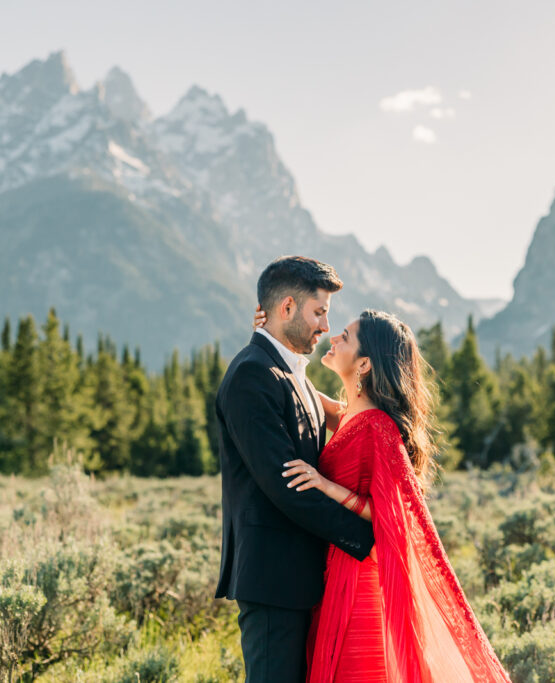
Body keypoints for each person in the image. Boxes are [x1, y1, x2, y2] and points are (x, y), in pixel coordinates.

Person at [275, 309, 511, 681]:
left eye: (346, 337)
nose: (334, 338)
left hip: (362, 584)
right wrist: (269, 330)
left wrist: (326, 486)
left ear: (365, 364)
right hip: (337, 571)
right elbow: (292, 381)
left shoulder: (378, 427)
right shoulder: (352, 414)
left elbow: (397, 515)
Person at [215, 256, 376, 683]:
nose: (325, 326)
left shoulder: (295, 375)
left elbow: (352, 417)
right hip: (273, 581)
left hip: (302, 578)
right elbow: (287, 487)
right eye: (319, 312)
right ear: (287, 308)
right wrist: (367, 536)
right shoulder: (251, 376)